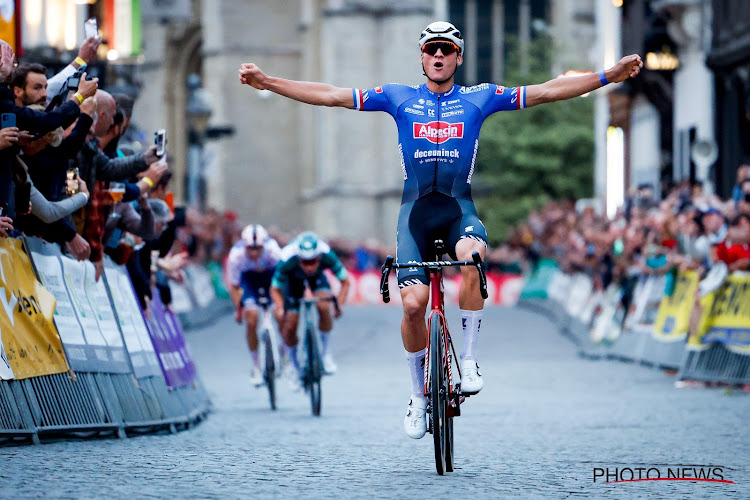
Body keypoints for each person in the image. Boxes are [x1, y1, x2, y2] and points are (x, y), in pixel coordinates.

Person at [239, 21, 643, 438]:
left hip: (457, 209)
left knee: (472, 257)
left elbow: (544, 91)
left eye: (446, 50)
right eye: (431, 49)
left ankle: (468, 360)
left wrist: (607, 77)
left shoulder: (478, 98)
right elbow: (331, 95)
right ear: (422, 57)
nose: (438, 56)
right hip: (414, 214)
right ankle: (417, 396)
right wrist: (268, 82)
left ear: (458, 57)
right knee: (413, 306)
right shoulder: (398, 98)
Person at [270, 231, 350, 388]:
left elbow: (345, 281)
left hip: (318, 280)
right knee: (290, 325)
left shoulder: (327, 254)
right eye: (305, 262)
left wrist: (339, 304)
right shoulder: (287, 258)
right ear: (298, 257)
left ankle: (326, 354)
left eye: (313, 261)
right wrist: (280, 307)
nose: (309, 266)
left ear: (319, 257)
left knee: (324, 305)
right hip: (292, 283)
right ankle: (293, 365)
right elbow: (274, 289)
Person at [227, 224, 283, 386]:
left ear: (264, 245)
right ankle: (257, 365)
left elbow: (284, 280)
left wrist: (282, 303)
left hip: (270, 279)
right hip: (248, 280)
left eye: (258, 249)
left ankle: (285, 354)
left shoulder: (274, 251)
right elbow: (234, 286)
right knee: (251, 319)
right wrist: (239, 309)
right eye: (250, 249)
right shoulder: (236, 256)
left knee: (281, 315)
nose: (254, 253)